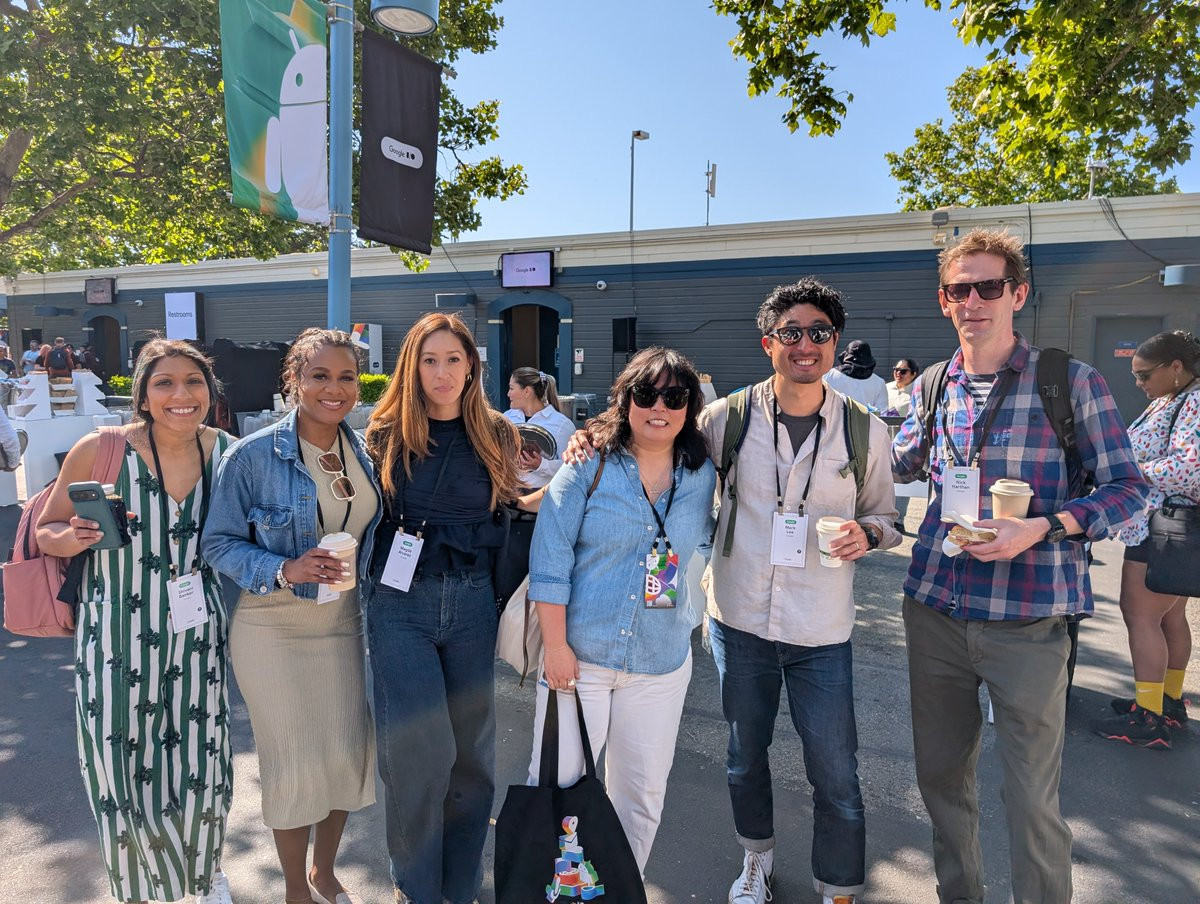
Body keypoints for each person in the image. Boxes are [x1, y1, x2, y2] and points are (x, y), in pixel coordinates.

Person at [563, 278, 900, 904]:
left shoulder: (864, 431)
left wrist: (869, 532)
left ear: (836, 342)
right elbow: (654, 437)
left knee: (836, 770)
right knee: (746, 759)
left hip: (821, 628)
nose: (805, 344)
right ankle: (756, 862)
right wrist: (592, 435)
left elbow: (885, 515)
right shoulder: (727, 419)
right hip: (739, 621)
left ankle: (839, 889)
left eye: (820, 332)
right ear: (768, 341)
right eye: (791, 332)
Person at [891, 228, 1148, 904]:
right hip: (936, 607)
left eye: (989, 287)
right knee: (941, 782)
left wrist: (1042, 526)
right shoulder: (934, 385)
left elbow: (1128, 488)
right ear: (944, 300)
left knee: (1031, 797)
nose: (973, 301)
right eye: (959, 289)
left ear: (1018, 294)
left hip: (1029, 618)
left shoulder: (1070, 381)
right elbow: (896, 463)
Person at [35, 338, 235, 904]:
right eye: (163, 382)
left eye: (193, 382)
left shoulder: (225, 452)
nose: (180, 394)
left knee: (202, 753)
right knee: (120, 757)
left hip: (197, 632)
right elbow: (46, 529)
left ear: (210, 392)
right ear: (143, 394)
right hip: (115, 632)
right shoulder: (101, 449)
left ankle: (203, 872)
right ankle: (140, 885)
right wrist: (72, 537)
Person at [203, 328, 382, 903]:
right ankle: (294, 890)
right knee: (291, 759)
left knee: (343, 751)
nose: (335, 388)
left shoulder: (367, 453)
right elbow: (218, 543)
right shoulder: (251, 455)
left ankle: (324, 872)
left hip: (344, 623)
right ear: (294, 381)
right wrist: (285, 567)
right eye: (319, 375)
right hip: (272, 627)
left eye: (346, 377)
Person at [528, 347, 716, 875]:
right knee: (561, 792)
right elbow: (549, 561)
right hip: (579, 661)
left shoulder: (701, 475)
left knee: (641, 797)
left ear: (690, 406)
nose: (660, 407)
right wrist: (556, 648)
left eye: (674, 396)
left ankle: (620, 888)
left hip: (660, 663)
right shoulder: (587, 465)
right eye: (646, 393)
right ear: (625, 398)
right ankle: (562, 891)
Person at [363, 311, 520, 904]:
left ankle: (461, 885)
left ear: (472, 366)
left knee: (472, 753)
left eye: (454, 359)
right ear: (412, 367)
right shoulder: (384, 435)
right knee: (418, 753)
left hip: (473, 602)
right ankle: (417, 887)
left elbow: (513, 503)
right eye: (429, 360)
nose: (442, 372)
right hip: (399, 604)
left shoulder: (497, 433)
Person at [1094, 330, 1199, 749]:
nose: (1138, 383)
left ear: (1176, 367)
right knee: (1170, 618)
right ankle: (1168, 700)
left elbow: (1189, 467)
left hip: (1161, 527)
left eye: (1145, 375)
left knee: (1140, 616)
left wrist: (1129, 471)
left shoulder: (1193, 403)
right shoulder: (1173, 399)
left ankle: (1149, 715)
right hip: (1169, 527)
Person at [504, 367, 576, 489]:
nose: (508, 394)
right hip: (509, 492)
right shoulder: (507, 417)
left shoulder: (562, 424)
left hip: (542, 495)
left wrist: (541, 465)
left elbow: (571, 467)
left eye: (511, 388)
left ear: (526, 391)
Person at [824, 339, 889, 411]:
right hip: (865, 418)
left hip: (831, 417)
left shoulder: (828, 375)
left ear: (846, 355)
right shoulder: (879, 382)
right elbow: (882, 412)